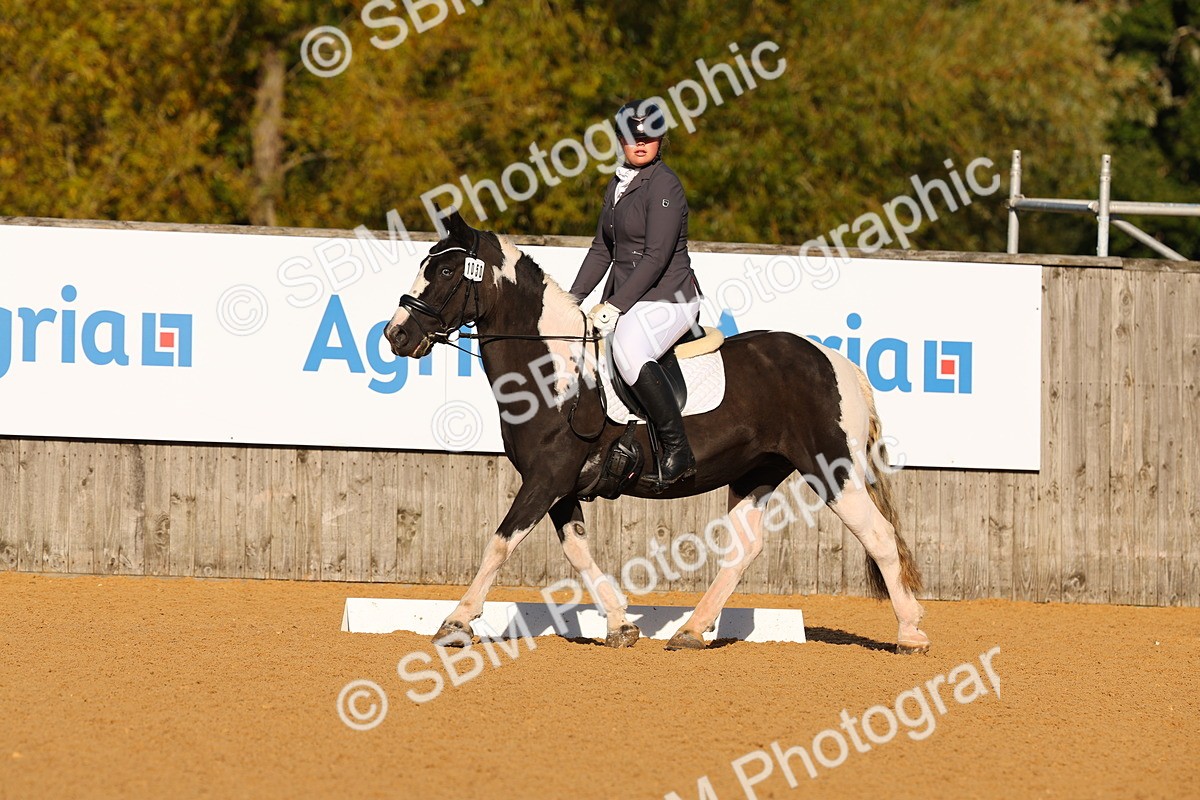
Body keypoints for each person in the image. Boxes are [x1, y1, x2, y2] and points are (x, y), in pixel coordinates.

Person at [570, 99, 703, 490]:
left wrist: (614, 305)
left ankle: (678, 450)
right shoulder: (618, 184)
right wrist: (571, 300)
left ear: (661, 141)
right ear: (620, 140)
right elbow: (602, 249)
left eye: (649, 137)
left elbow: (656, 257)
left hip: (669, 297)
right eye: (632, 137)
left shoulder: (664, 185)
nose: (641, 144)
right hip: (632, 298)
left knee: (628, 349)